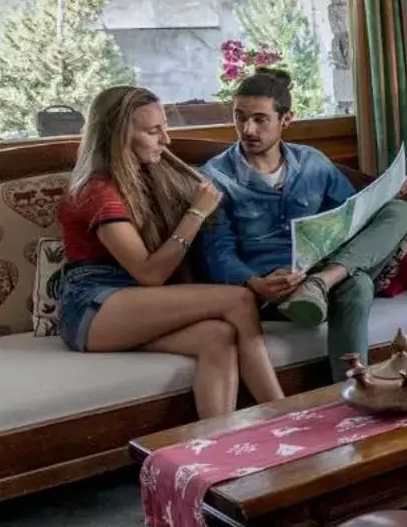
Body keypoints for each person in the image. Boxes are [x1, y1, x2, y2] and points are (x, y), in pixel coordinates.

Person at [56, 85, 288, 419]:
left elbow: (177, 272)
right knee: (238, 299)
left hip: (135, 305)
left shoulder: (148, 175)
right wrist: (196, 214)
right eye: (153, 131)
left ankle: (217, 447)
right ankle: (282, 414)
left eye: (165, 127)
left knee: (218, 335)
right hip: (91, 306)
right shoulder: (97, 191)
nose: (166, 140)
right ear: (118, 136)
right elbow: (150, 274)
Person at [197, 68, 407, 379]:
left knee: (401, 211)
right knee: (358, 285)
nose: (247, 129)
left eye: (260, 119)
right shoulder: (216, 176)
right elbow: (217, 251)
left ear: (286, 119)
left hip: (323, 268)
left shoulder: (313, 163)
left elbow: (353, 217)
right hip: (274, 287)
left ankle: (324, 282)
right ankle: (354, 389)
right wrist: (255, 284)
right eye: (240, 117)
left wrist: (399, 194)